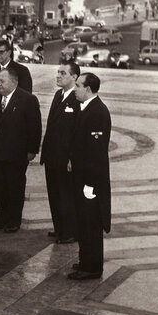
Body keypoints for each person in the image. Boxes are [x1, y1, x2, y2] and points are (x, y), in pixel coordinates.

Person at [0, 67, 41, 233]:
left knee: (14, 188)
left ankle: (14, 221)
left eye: (2, 81)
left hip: (16, 154)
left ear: (14, 82)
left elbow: (34, 128)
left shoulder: (27, 99)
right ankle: (1, 219)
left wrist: (32, 150)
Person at [69, 73, 111, 280]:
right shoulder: (85, 108)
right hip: (81, 177)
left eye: (78, 85)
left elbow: (96, 153)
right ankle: (86, 260)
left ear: (88, 89)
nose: (75, 89)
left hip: (90, 181)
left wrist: (90, 185)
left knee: (91, 224)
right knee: (83, 223)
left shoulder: (97, 113)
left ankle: (93, 267)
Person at [40, 63, 80, 245]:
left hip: (65, 157)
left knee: (66, 194)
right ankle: (59, 227)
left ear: (74, 77)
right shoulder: (58, 95)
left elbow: (77, 131)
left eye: (63, 73)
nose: (58, 76)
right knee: (54, 192)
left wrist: (73, 157)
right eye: (57, 72)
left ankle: (70, 231)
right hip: (52, 155)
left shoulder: (77, 99)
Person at [0, 39, 32, 124]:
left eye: (1, 52)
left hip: (14, 116)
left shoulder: (22, 70)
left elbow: (27, 96)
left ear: (9, 52)